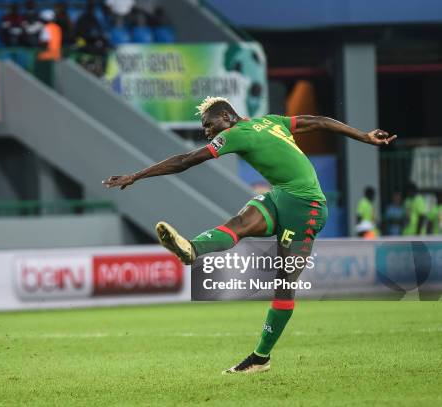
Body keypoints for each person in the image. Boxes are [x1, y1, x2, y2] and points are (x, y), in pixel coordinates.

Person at [103, 96, 396, 374]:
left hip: (307, 208)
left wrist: (136, 175)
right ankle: (191, 249)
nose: (207, 132)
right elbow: (318, 121)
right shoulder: (270, 121)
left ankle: (260, 358)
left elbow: (185, 160)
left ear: (226, 117)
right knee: (240, 223)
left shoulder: (235, 134)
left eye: (209, 124)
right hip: (282, 196)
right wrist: (364, 136)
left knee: (284, 285)